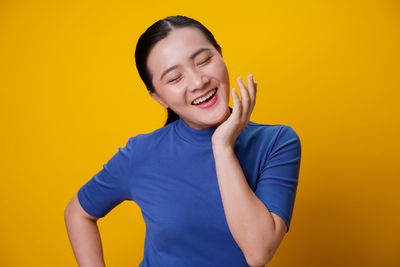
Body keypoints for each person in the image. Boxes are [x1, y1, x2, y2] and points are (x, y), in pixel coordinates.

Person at [64, 15, 302, 267]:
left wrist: (222, 147)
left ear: (221, 55)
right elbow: (77, 213)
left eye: (204, 60)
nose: (198, 82)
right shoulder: (141, 153)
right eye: (175, 78)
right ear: (158, 97)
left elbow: (258, 252)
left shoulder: (277, 142)